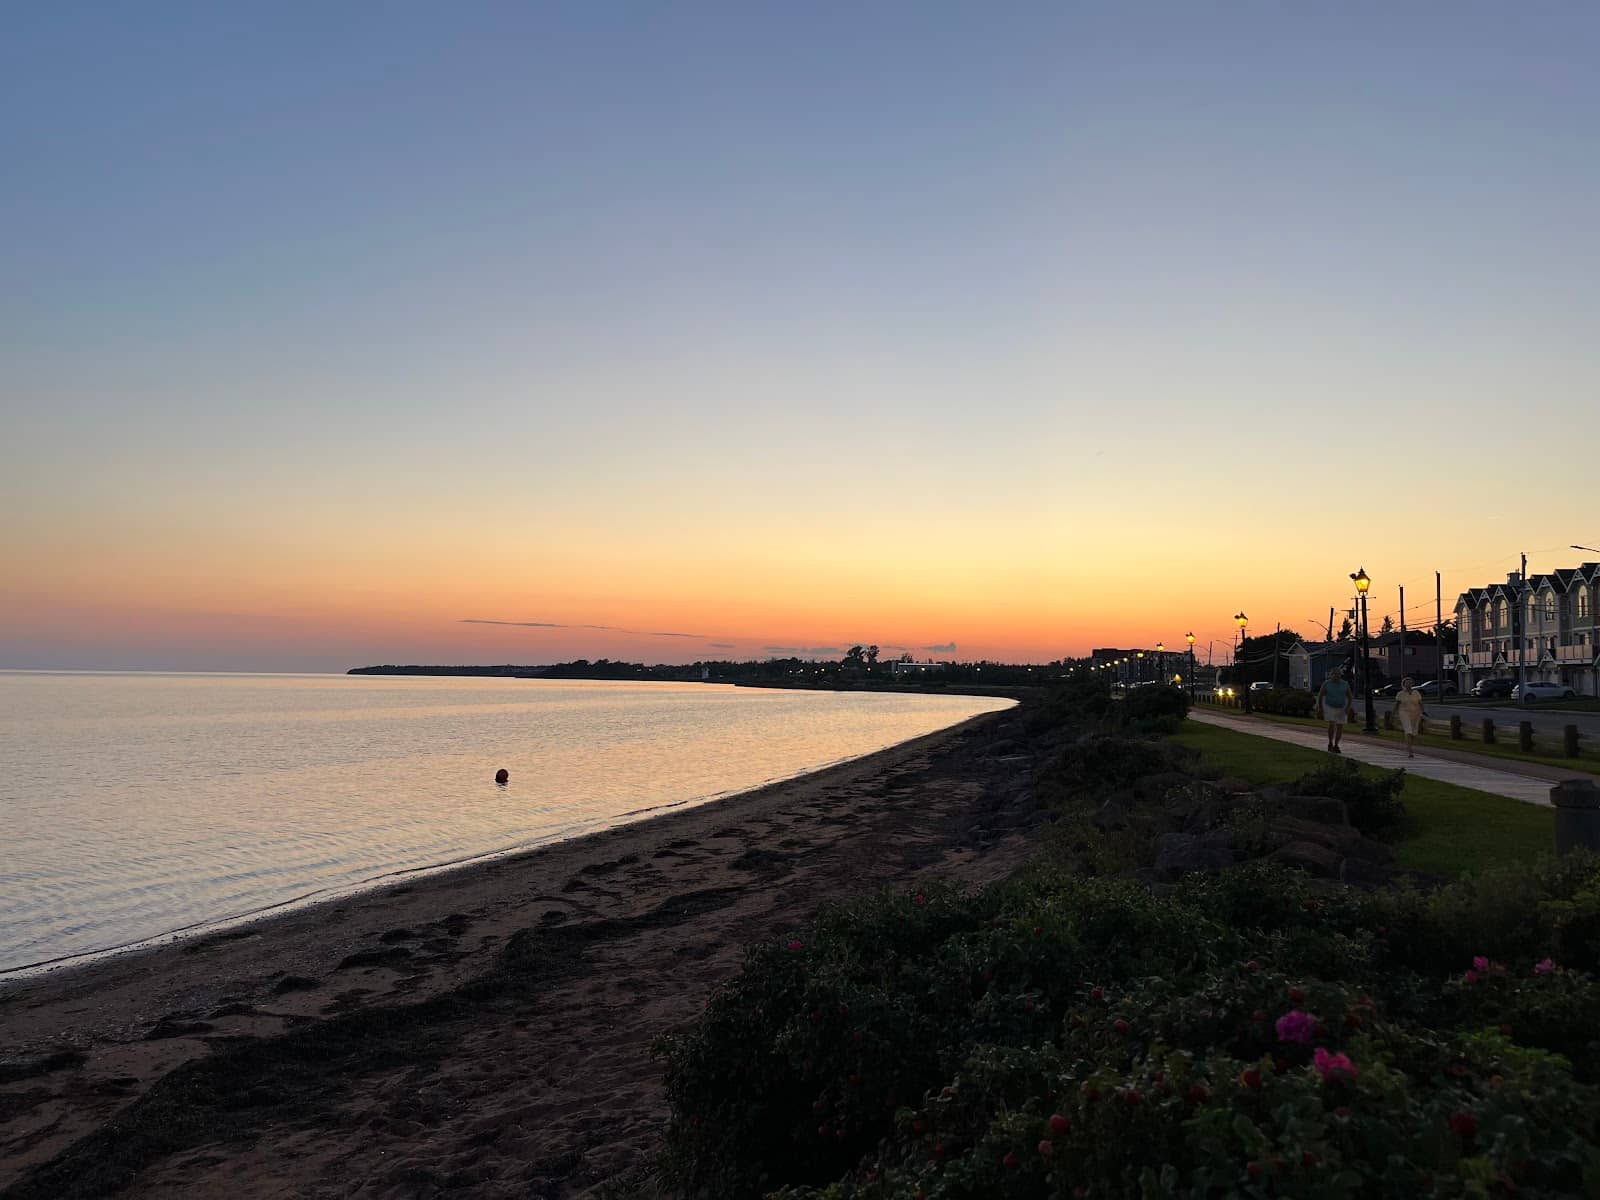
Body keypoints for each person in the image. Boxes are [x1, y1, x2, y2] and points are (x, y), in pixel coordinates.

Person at [1316, 666, 1353, 752]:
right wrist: (1320, 708)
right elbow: (1320, 696)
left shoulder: (1345, 684)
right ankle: (1330, 743)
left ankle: (1336, 745)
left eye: (1338, 674)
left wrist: (1348, 708)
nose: (1336, 676)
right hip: (1330, 706)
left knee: (1340, 726)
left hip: (1341, 707)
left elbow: (1350, 697)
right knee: (1332, 724)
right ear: (1331, 675)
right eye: (1335, 674)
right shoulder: (1327, 684)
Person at [1393, 677, 1426, 758]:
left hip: (1415, 714)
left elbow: (1420, 703)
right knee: (1408, 730)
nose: (1408, 685)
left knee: (1414, 732)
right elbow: (1396, 705)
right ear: (1404, 684)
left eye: (1410, 683)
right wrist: (1393, 715)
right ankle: (1410, 751)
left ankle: (1410, 744)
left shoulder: (1416, 693)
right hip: (1404, 713)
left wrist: (1423, 712)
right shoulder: (1400, 694)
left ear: (1412, 684)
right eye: (1407, 683)